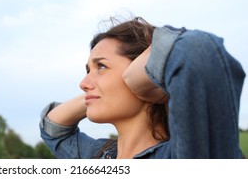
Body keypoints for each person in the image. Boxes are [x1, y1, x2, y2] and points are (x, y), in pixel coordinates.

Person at [39, 16, 245, 158]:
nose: (83, 84)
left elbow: (197, 54)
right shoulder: (100, 156)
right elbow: (53, 129)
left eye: (101, 66)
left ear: (142, 72)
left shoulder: (184, 156)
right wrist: (96, 94)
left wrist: (147, 81)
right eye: (88, 71)